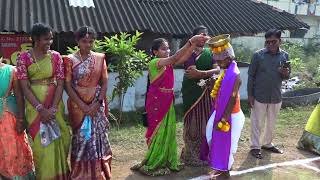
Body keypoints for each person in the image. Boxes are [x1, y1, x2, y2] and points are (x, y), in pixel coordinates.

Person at [131, 35, 209, 176]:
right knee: (159, 131)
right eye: (163, 49)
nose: (167, 51)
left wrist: (194, 45)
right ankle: (155, 160)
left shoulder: (167, 64)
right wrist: (191, 41)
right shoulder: (155, 62)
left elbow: (182, 58)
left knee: (169, 131)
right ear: (155, 52)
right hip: (157, 101)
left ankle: (166, 159)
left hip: (167, 100)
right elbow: (174, 58)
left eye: (168, 48)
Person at [16, 23, 71, 179]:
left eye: (51, 39)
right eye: (46, 39)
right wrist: (41, 109)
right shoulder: (23, 58)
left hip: (55, 107)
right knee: (42, 146)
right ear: (35, 39)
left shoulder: (56, 57)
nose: (49, 42)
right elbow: (25, 87)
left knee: (63, 138)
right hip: (35, 110)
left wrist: (52, 109)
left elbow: (60, 83)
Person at [64, 26, 112, 179]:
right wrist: (83, 105)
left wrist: (97, 103)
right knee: (81, 138)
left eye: (91, 41)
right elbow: (67, 85)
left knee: (98, 138)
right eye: (84, 41)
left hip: (96, 105)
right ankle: (80, 173)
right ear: (78, 41)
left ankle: (99, 172)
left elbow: (104, 82)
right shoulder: (69, 60)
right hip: (78, 107)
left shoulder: (99, 58)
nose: (88, 44)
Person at [200, 34, 245, 178]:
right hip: (221, 111)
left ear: (228, 58)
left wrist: (224, 119)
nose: (218, 63)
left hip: (231, 115)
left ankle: (225, 170)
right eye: (217, 60)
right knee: (209, 134)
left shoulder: (235, 74)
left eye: (220, 61)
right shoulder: (226, 70)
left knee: (229, 145)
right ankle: (220, 166)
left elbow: (232, 98)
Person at [247, 29, 290, 159]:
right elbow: (251, 76)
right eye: (268, 42)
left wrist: (284, 73)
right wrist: (250, 95)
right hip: (259, 95)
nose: (270, 44)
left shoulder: (285, 56)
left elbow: (287, 76)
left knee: (271, 122)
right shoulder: (258, 55)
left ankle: (267, 144)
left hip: (276, 95)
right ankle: (255, 146)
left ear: (280, 41)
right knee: (257, 122)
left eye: (273, 42)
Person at [180, 25, 220, 166]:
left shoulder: (211, 52)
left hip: (207, 92)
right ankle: (191, 155)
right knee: (192, 123)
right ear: (194, 37)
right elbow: (191, 72)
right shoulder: (188, 52)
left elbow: (218, 69)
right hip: (191, 92)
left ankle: (205, 154)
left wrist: (203, 74)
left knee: (207, 123)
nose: (203, 37)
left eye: (205, 35)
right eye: (200, 35)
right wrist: (210, 72)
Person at [0, 55, 35, 179]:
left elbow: (19, 96)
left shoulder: (11, 71)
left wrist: (21, 119)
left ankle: (13, 175)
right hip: (7, 113)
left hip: (8, 116)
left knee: (12, 148)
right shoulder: (11, 71)